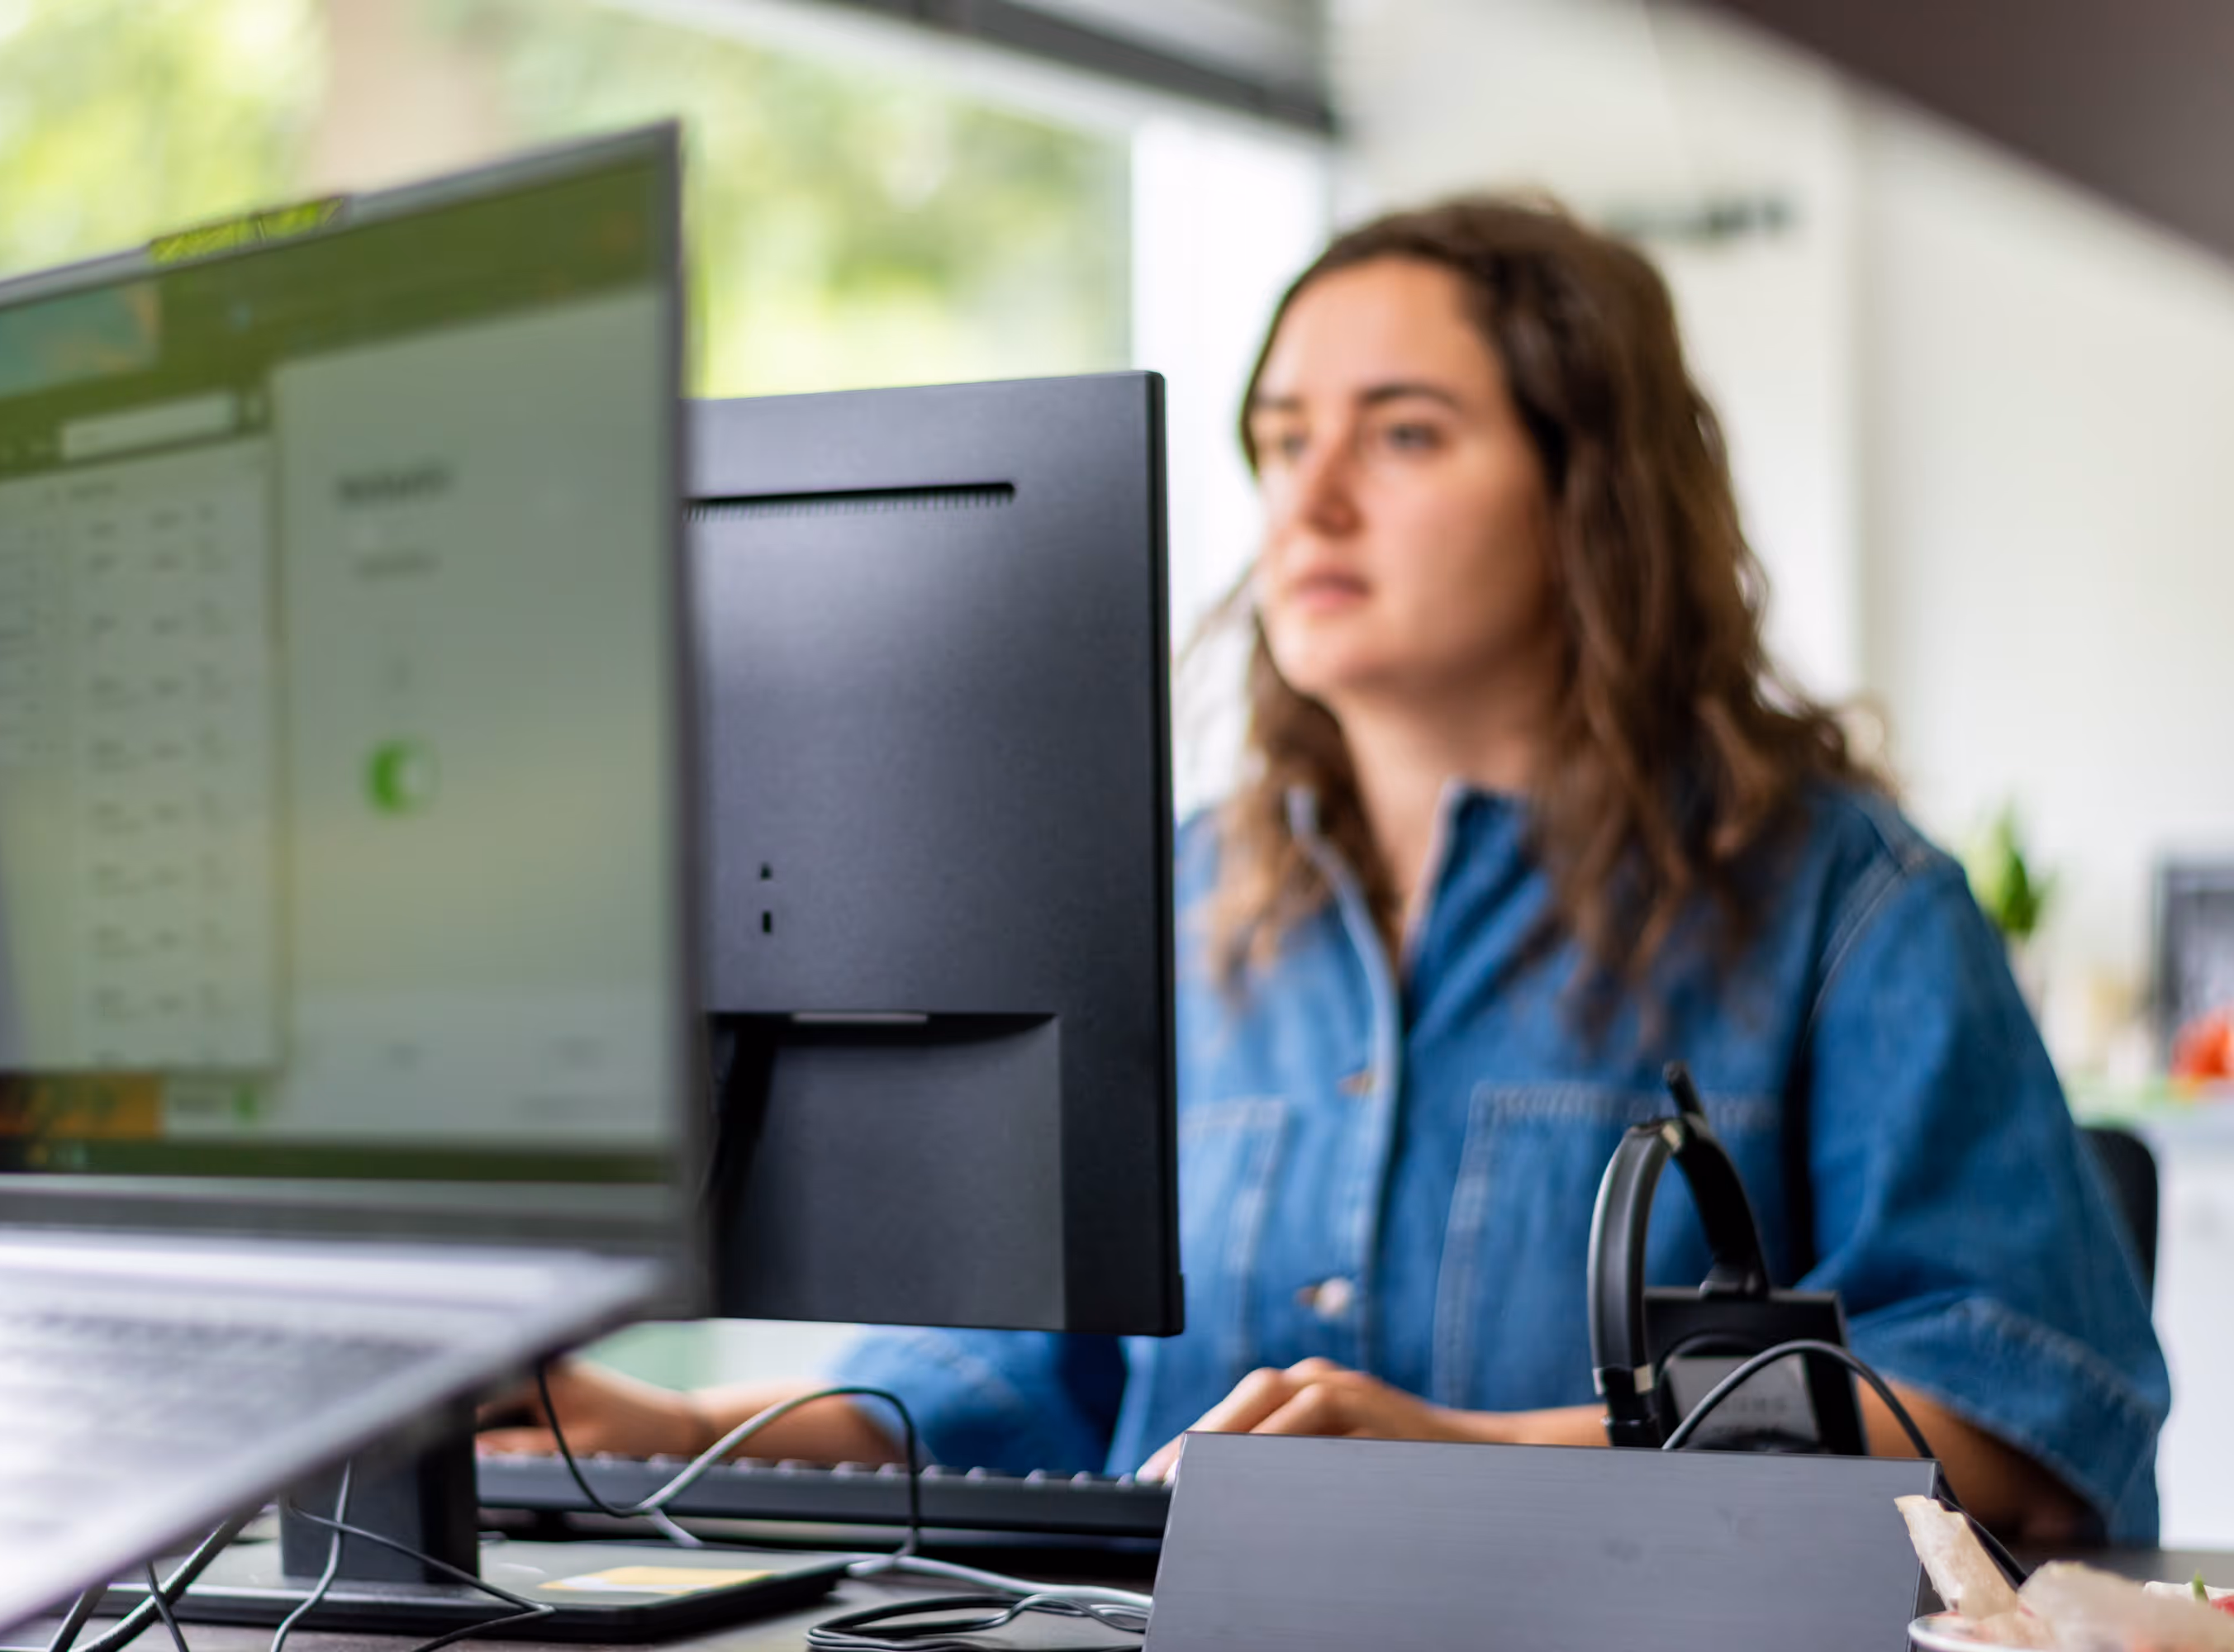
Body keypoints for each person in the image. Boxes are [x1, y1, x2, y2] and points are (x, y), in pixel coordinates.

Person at [482, 197, 2169, 1541]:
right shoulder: (1165, 896)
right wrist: (694, 1431)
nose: (1314, 497)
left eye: (1406, 434)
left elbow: (2013, 1415)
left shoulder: (1842, 904)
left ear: (1593, 495)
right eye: (1282, 438)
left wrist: (1481, 1457)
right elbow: (1011, 1385)